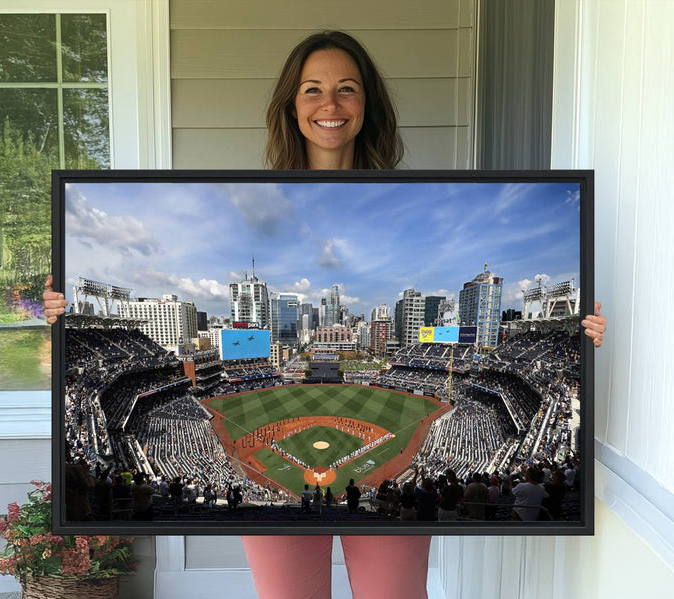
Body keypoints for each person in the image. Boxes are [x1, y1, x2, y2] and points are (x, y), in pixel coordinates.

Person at [43, 29, 607, 599]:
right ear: (292, 105)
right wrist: (62, 317)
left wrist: (575, 338)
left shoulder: (407, 196)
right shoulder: (250, 193)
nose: (329, 105)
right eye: (312, 89)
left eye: (347, 89)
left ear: (367, 105)